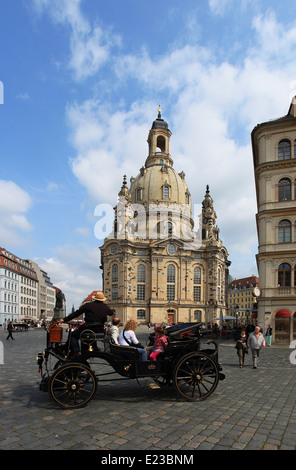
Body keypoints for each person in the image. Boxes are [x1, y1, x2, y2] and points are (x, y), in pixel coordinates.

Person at [60, 291, 115, 358]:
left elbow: (76, 313)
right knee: (88, 334)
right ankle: (94, 348)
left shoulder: (88, 305)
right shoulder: (106, 307)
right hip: (99, 330)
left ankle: (76, 351)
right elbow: (111, 313)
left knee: (73, 335)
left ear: (95, 299)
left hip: (88, 328)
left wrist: (65, 319)